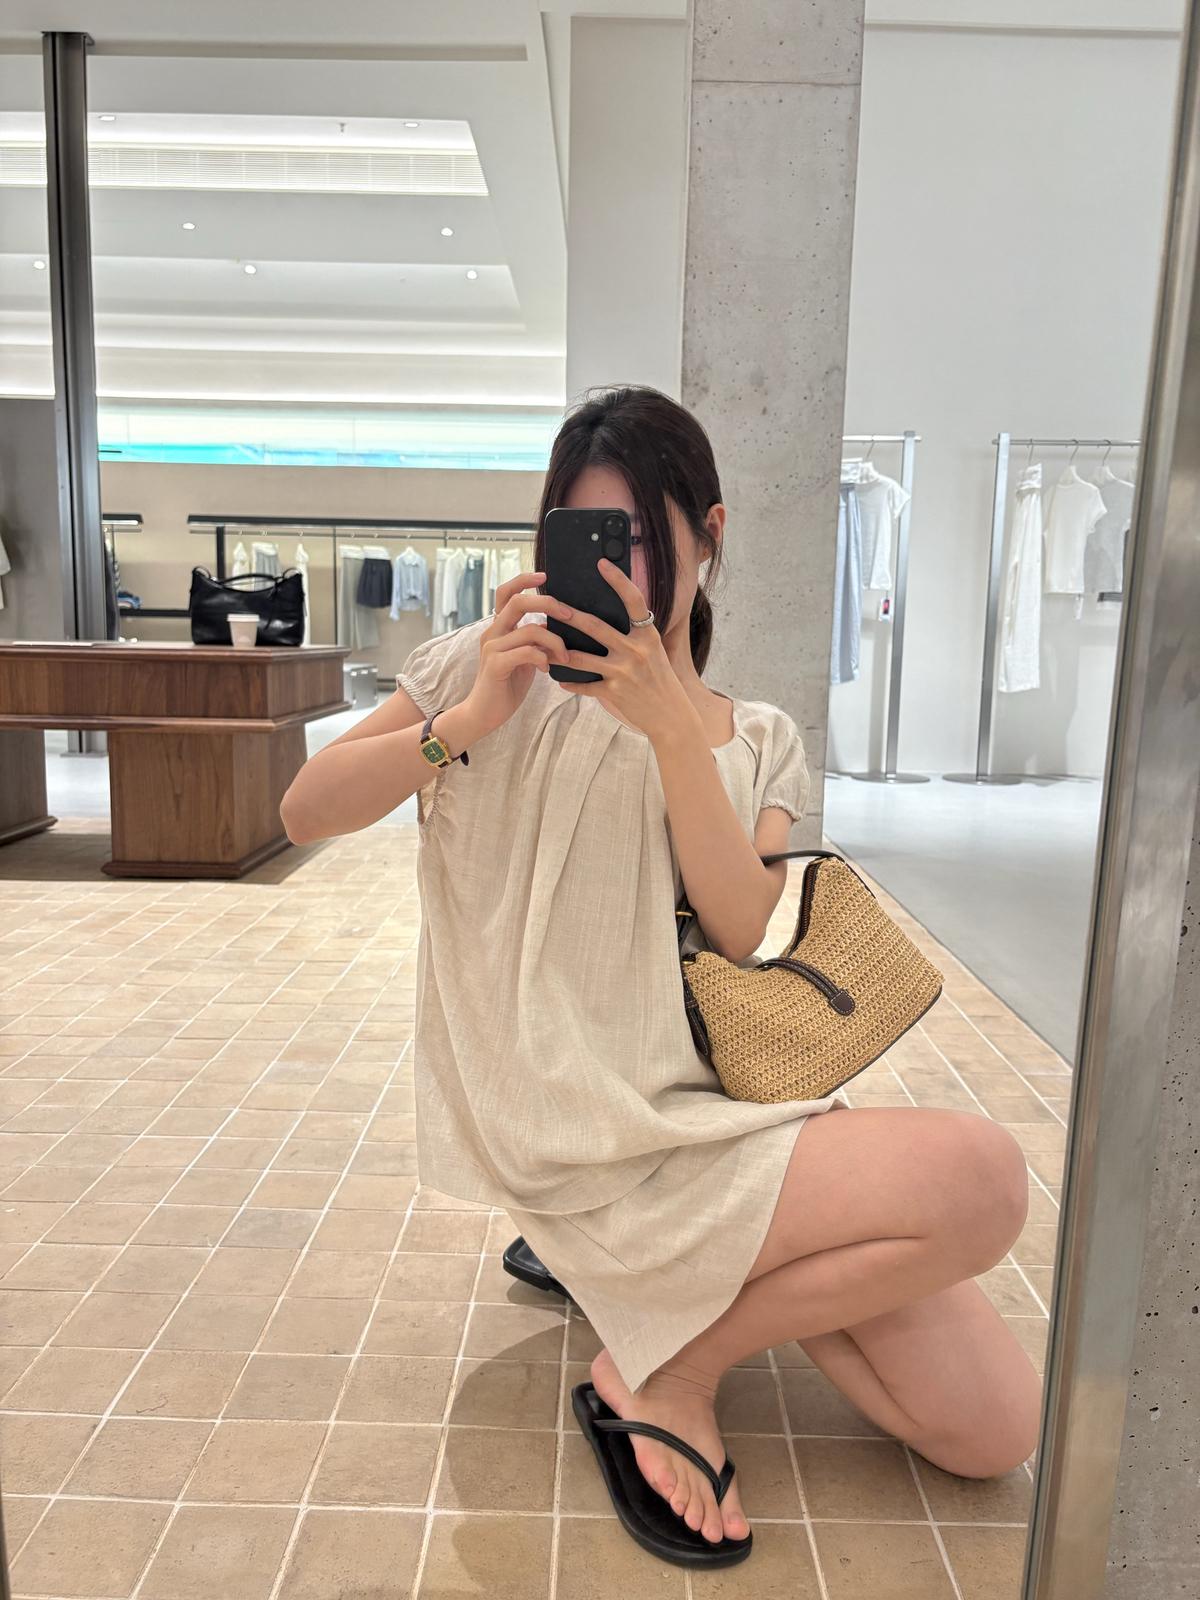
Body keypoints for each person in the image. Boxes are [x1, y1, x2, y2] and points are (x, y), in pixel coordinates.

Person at [279, 385, 1043, 1564]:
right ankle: (676, 1364)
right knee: (984, 1180)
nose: (614, 568)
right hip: (571, 1132)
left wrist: (675, 728)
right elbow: (305, 810)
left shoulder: (760, 737)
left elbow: (743, 930)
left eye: (636, 535)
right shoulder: (484, 674)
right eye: (584, 535)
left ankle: (676, 1331)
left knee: (995, 1430)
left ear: (709, 533)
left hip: (713, 1118)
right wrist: (466, 718)